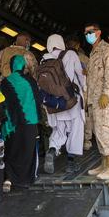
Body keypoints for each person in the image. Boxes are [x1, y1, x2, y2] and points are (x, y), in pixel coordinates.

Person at [41, 34, 86, 175]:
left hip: (54, 103)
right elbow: (81, 75)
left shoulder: (44, 59)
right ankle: (71, 163)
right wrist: (84, 88)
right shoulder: (71, 54)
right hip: (71, 101)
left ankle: (52, 150)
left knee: (59, 131)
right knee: (75, 130)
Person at [0, 54, 43, 191]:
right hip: (30, 122)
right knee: (28, 151)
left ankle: (8, 179)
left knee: (12, 151)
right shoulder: (31, 81)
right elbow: (37, 101)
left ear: (11, 66)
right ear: (23, 66)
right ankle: (26, 180)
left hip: (13, 124)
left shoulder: (5, 82)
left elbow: (2, 104)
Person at [83, 23, 109, 180]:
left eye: (90, 32)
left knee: (104, 129)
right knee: (98, 130)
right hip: (94, 98)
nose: (87, 35)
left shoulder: (107, 50)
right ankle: (104, 163)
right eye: (85, 33)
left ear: (98, 32)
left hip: (104, 97)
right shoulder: (93, 53)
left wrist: (106, 94)